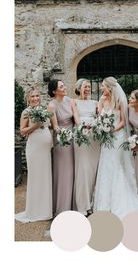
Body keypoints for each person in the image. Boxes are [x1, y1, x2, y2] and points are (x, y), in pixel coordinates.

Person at [93, 77, 138, 219]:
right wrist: (102, 128)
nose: (101, 89)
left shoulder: (120, 101)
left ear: (110, 88)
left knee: (116, 165)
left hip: (117, 137)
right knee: (105, 165)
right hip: (106, 139)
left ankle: (118, 200)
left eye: (103, 86)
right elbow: (99, 118)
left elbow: (123, 121)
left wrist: (111, 130)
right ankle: (104, 202)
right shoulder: (101, 101)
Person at [15, 88, 53, 223]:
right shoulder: (26, 112)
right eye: (33, 96)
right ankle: (35, 211)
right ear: (28, 98)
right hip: (34, 148)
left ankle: (45, 210)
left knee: (45, 177)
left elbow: (50, 126)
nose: (36, 98)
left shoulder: (44, 110)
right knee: (36, 177)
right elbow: (23, 131)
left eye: (37, 95)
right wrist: (35, 126)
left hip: (45, 149)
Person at [48, 79, 77, 217]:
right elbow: (55, 126)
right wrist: (64, 134)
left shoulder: (70, 101)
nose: (65, 87)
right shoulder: (51, 105)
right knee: (64, 171)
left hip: (73, 138)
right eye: (61, 86)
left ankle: (73, 204)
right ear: (54, 91)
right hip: (62, 139)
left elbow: (76, 119)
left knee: (73, 170)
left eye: (64, 85)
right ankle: (62, 206)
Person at [73, 78, 101, 216]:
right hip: (81, 137)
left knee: (93, 169)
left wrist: (95, 124)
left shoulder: (95, 102)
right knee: (83, 170)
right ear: (79, 88)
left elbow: (100, 116)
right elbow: (76, 117)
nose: (88, 89)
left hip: (94, 138)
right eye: (85, 86)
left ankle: (92, 202)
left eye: (89, 87)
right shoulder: (74, 102)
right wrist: (82, 126)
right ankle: (82, 205)